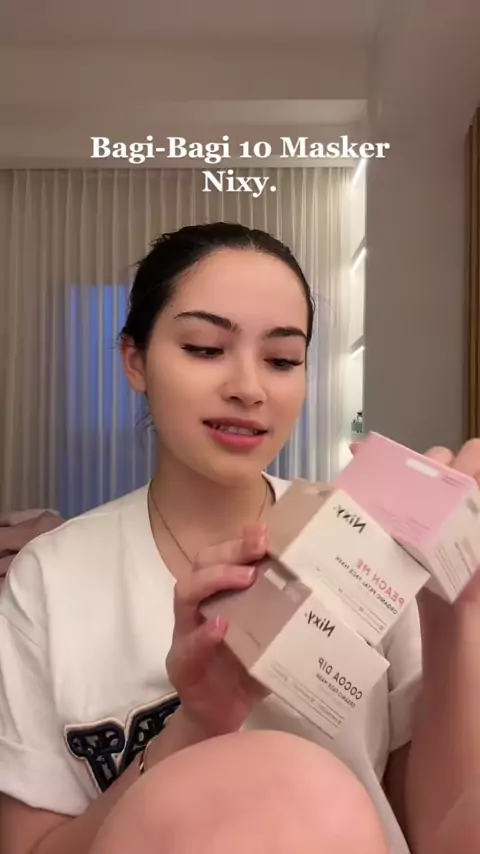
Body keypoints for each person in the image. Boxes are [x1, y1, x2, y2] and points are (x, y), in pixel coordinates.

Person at [0, 222, 478, 854]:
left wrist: (455, 613)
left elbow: (442, 838)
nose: (249, 388)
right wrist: (192, 725)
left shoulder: (369, 551)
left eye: (282, 360)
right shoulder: (50, 577)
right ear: (135, 360)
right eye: (205, 348)